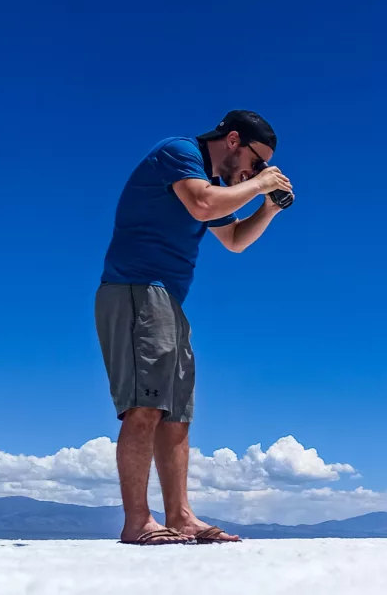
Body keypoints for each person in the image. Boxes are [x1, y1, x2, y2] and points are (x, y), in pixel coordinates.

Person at [95, 110, 294, 545]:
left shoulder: (218, 186)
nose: (255, 171)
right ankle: (137, 522)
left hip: (167, 299)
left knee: (176, 416)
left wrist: (269, 209)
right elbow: (201, 203)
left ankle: (181, 517)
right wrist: (259, 184)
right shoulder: (180, 152)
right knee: (143, 406)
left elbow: (235, 240)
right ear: (234, 140)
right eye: (256, 161)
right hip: (136, 288)